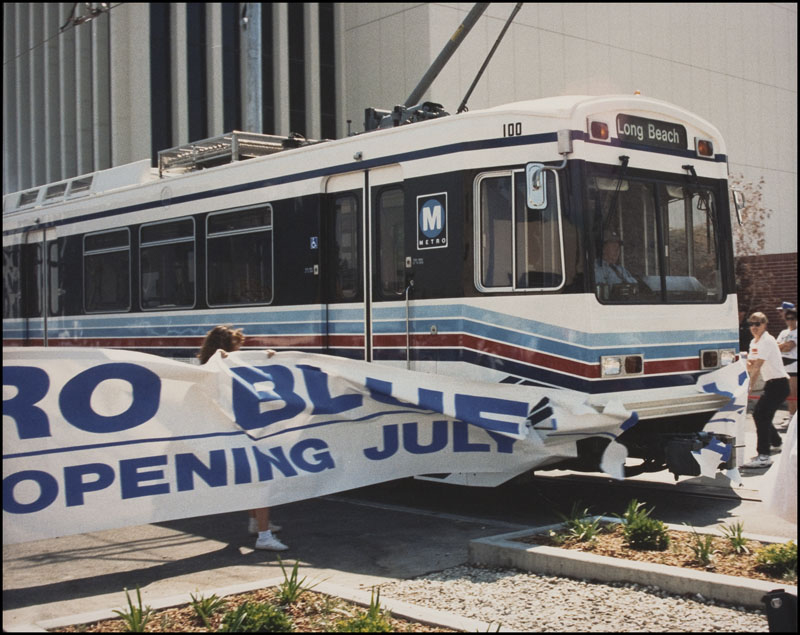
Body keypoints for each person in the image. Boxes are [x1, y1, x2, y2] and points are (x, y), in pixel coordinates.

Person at [198, 325, 288, 551]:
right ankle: (264, 536)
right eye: (238, 344)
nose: (241, 347)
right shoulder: (224, 365)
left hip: (229, 430)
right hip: (239, 429)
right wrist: (263, 356)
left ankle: (255, 523)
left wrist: (262, 356)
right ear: (228, 348)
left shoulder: (208, 365)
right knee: (261, 481)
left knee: (251, 480)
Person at [742, 312, 790, 469]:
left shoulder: (767, 341)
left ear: (765, 324)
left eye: (758, 324)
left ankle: (764, 456)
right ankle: (776, 443)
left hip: (779, 384)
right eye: (751, 324)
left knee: (760, 415)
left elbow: (757, 367)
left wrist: (748, 387)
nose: (754, 327)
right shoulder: (754, 342)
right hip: (771, 384)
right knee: (762, 415)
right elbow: (752, 365)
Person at [776, 308, 797, 429]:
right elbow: (776, 346)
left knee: (793, 394)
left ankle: (793, 419)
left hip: (794, 366)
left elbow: (789, 347)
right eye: (787, 319)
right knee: (788, 394)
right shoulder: (783, 333)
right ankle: (791, 417)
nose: (790, 321)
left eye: (792, 319)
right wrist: (783, 346)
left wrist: (782, 346)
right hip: (784, 366)